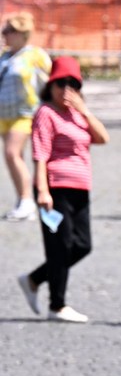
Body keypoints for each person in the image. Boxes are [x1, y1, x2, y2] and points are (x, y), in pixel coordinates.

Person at [18, 56, 109, 323]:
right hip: (55, 187)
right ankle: (57, 305)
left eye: (73, 84)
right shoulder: (46, 113)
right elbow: (40, 154)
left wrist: (84, 110)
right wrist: (42, 191)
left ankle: (34, 279)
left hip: (80, 187)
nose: (66, 90)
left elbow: (102, 138)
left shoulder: (78, 114)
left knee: (83, 245)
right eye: (61, 83)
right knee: (60, 245)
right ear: (51, 85)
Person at [0, 12, 51, 221]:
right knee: (13, 157)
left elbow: (52, 79)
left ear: (22, 34)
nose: (4, 34)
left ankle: (27, 200)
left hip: (25, 112)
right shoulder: (4, 57)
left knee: (12, 153)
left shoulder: (35, 55)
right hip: (4, 113)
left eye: (9, 31)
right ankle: (22, 200)